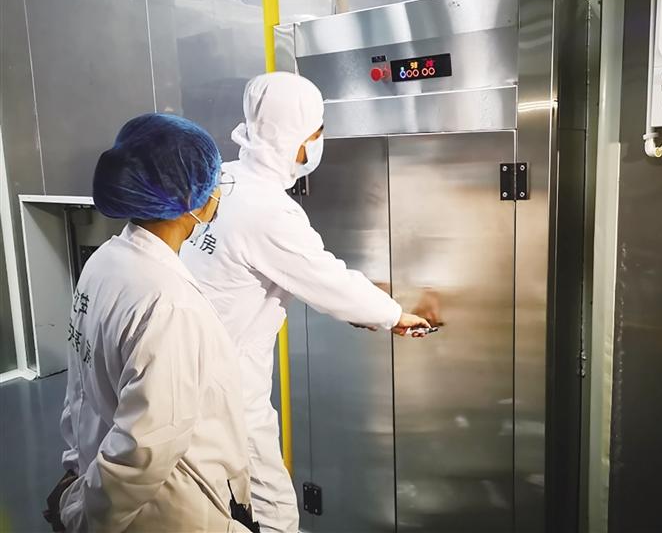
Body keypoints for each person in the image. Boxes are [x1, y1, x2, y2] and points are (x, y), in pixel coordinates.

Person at [180, 72, 431, 532]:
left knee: (210, 499)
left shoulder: (222, 177)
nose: (318, 141)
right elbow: (327, 280)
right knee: (272, 509)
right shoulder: (270, 210)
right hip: (228, 385)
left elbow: (271, 270)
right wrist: (393, 315)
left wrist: (364, 308)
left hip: (188, 369)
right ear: (295, 140)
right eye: (317, 131)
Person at [52, 114, 258, 532]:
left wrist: (75, 472)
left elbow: (80, 393)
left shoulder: (104, 262)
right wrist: (83, 515)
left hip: (103, 484)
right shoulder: (170, 304)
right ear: (189, 198)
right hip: (169, 511)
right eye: (214, 180)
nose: (219, 191)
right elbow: (143, 451)